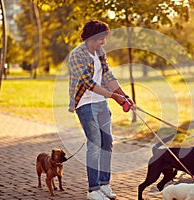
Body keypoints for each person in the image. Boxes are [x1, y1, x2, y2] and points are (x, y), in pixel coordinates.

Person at [68, 19, 132, 200]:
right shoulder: (77, 55)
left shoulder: (100, 52)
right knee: (94, 143)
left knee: (107, 143)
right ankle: (92, 189)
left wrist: (123, 95)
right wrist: (114, 96)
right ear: (90, 38)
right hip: (85, 104)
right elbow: (88, 83)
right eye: (100, 38)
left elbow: (107, 75)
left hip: (101, 102)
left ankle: (104, 184)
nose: (103, 42)